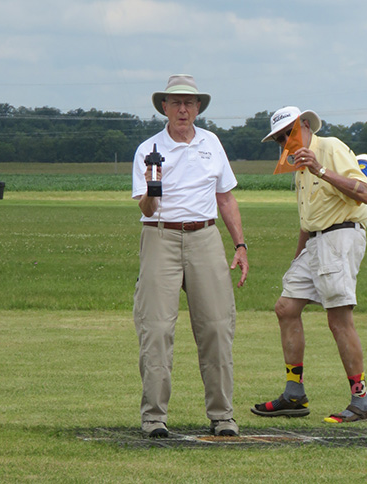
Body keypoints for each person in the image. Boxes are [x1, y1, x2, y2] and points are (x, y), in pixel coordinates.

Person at [132, 74, 248, 438]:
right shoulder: (148, 150)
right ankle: (154, 417)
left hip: (206, 237)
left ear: (198, 108)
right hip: (160, 235)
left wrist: (240, 245)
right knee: (157, 329)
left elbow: (225, 198)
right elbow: (147, 209)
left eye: (189, 103)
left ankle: (223, 415)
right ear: (163, 107)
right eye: (175, 103)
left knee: (216, 327)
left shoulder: (212, 144)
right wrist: (154, 185)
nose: (183, 109)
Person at [251, 106, 367, 423]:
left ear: (305, 126)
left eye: (288, 134)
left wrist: (320, 170)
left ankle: (361, 401)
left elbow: (365, 193)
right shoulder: (298, 168)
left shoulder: (330, 148)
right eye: (279, 139)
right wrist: (298, 259)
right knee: (286, 307)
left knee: (338, 318)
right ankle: (295, 394)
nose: (285, 143)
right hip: (315, 242)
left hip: (341, 236)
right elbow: (307, 223)